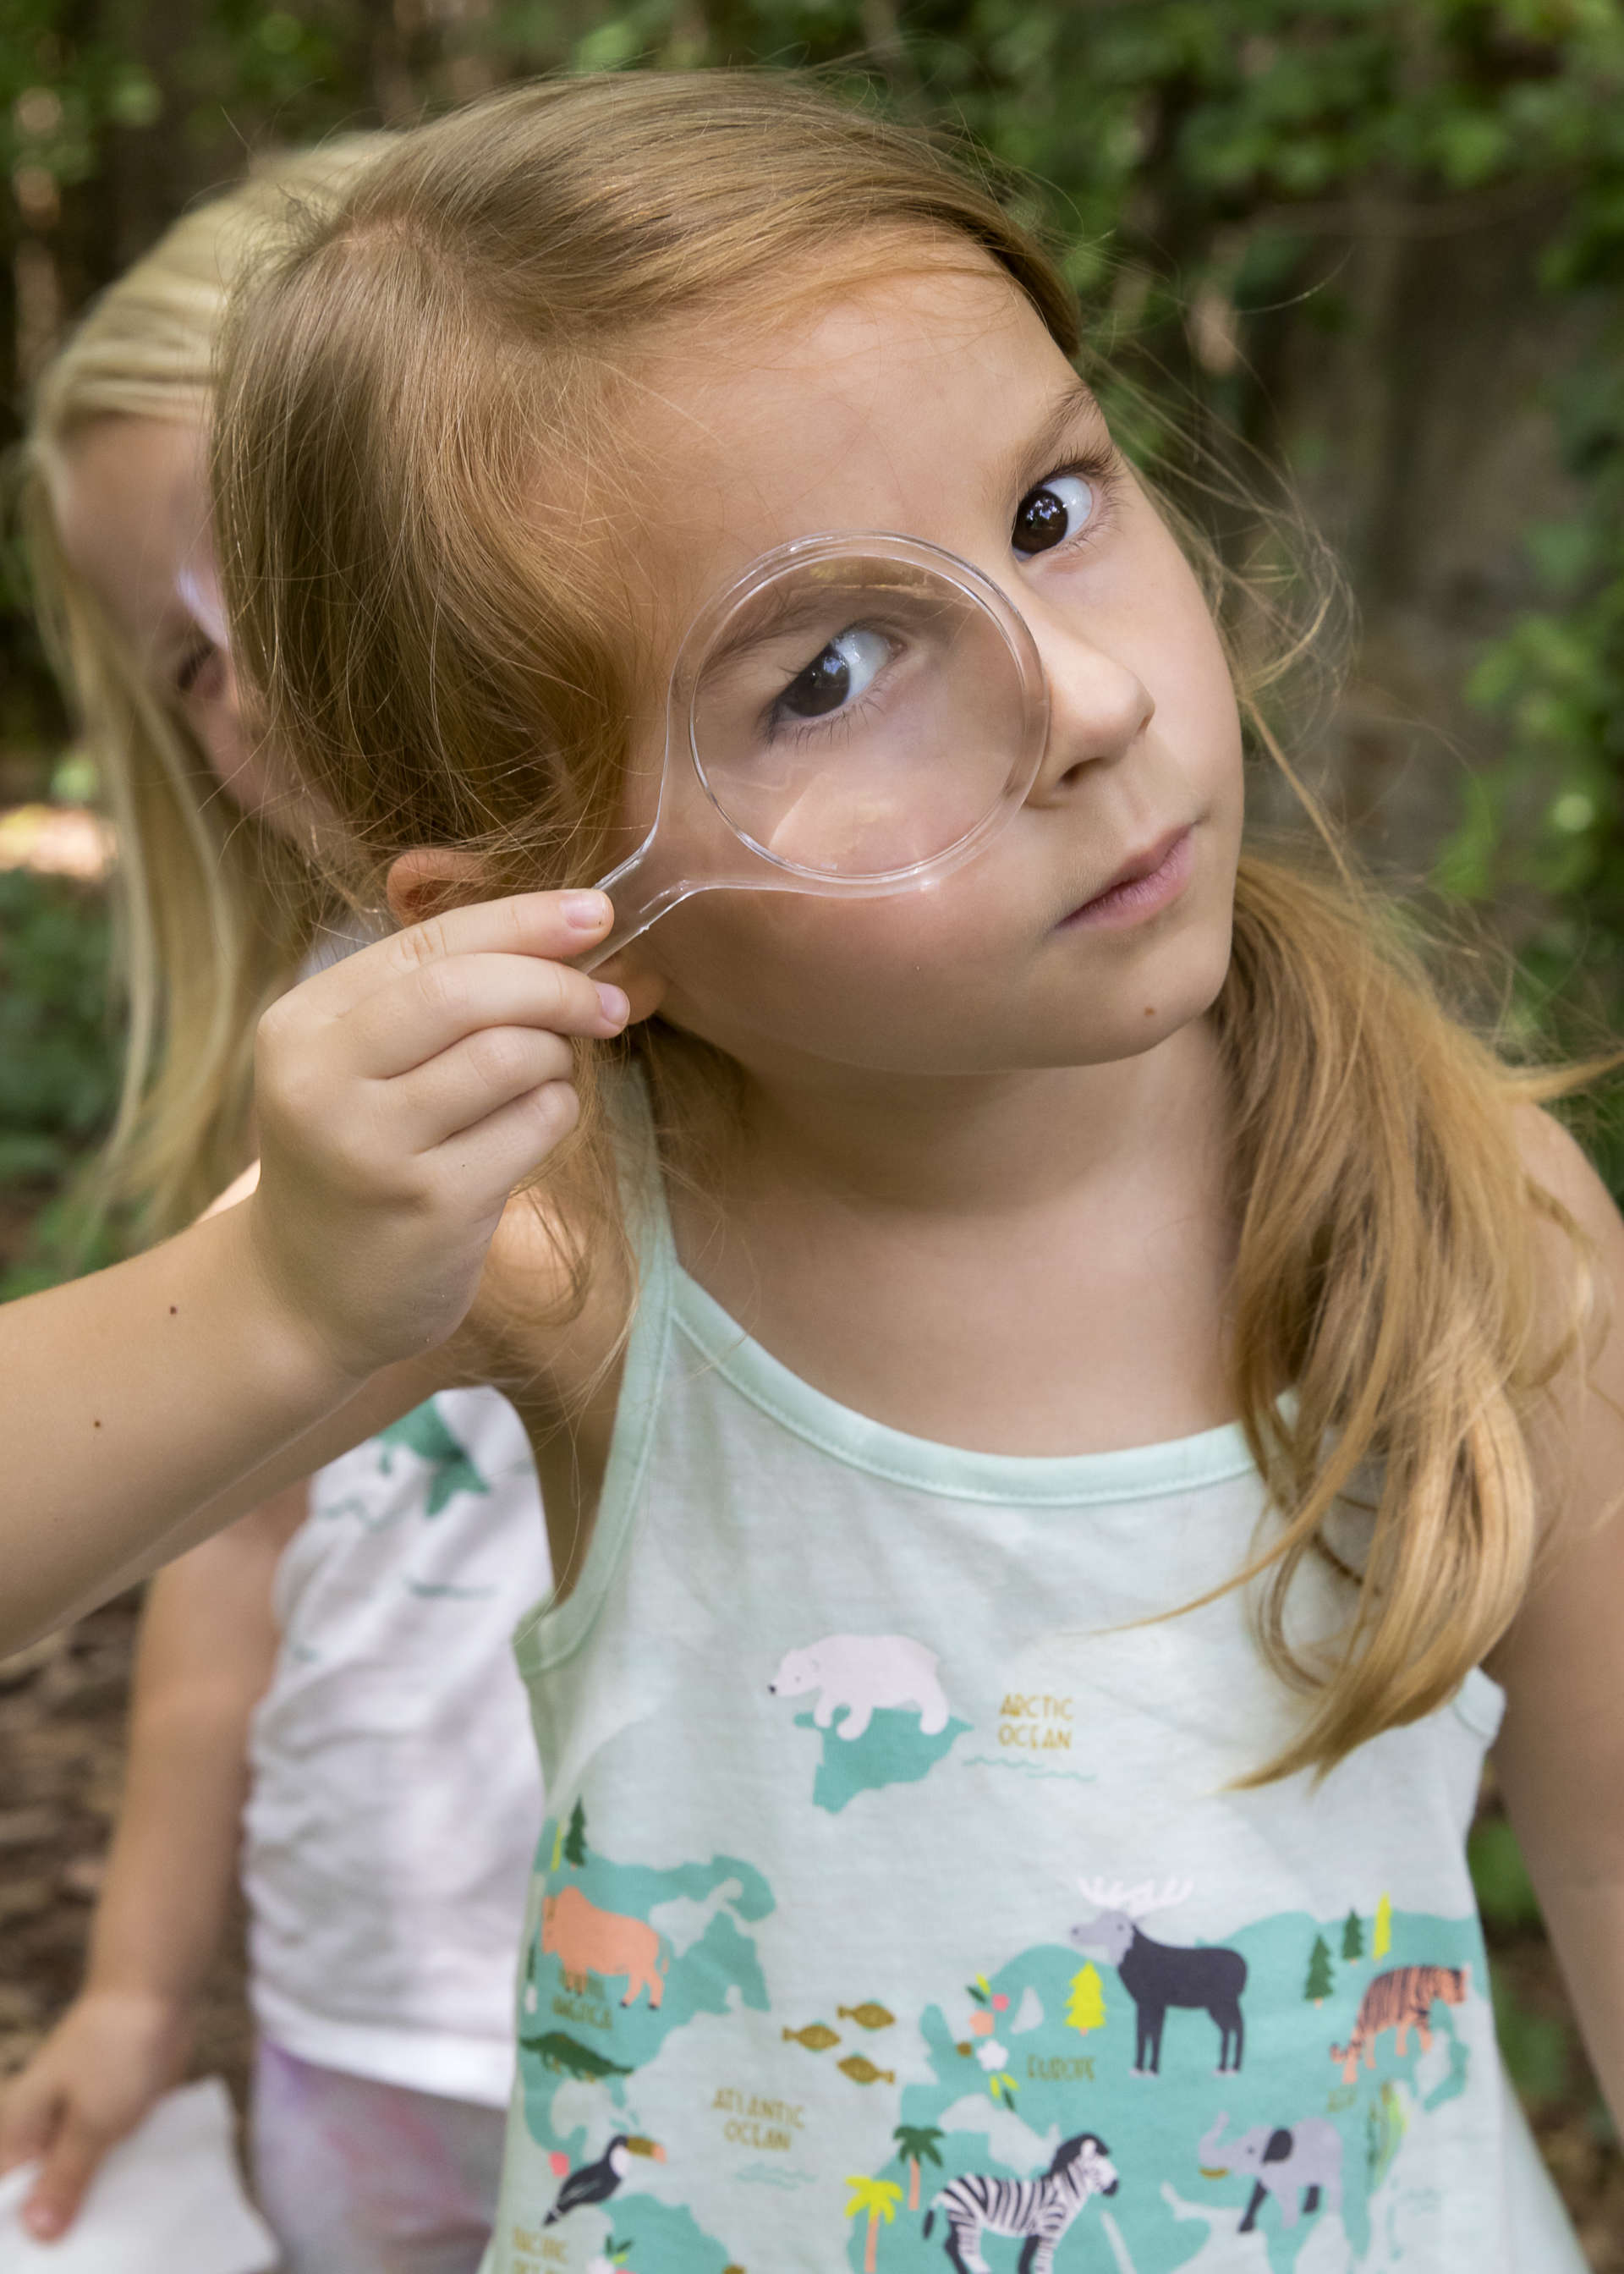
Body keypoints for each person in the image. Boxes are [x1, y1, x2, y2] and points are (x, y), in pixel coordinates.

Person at [1, 69, 1621, 2267]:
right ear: (557, 897)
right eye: (831, 672)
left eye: (1052, 511)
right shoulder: (573, 1237)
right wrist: (281, 1297)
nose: (1081, 701)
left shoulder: (1473, 1214)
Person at [0, 149, 548, 2274]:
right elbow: (231, 1546)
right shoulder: (338, 1060)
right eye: (188, 657)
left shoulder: (867, 996)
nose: (264, 676)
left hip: (771, 1987)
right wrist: (140, 1988)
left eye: (295, 555)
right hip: (377, 2002)